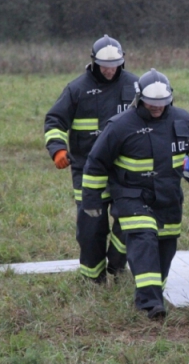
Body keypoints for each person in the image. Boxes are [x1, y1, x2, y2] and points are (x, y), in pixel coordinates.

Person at [82, 69, 189, 319]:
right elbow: (96, 162)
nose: (157, 108)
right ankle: (149, 304)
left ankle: (152, 293)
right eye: (151, 103)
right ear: (139, 99)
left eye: (162, 103)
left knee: (166, 248)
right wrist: (91, 200)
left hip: (168, 197)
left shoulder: (183, 120)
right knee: (144, 241)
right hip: (131, 195)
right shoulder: (120, 126)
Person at [44, 35, 138, 283]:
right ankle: (93, 278)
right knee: (91, 227)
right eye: (105, 65)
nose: (110, 70)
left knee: (129, 219)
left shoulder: (135, 86)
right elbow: (55, 120)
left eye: (115, 64)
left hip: (126, 169)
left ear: (122, 61)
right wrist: (58, 150)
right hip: (87, 169)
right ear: (94, 62)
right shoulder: (77, 89)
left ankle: (117, 265)